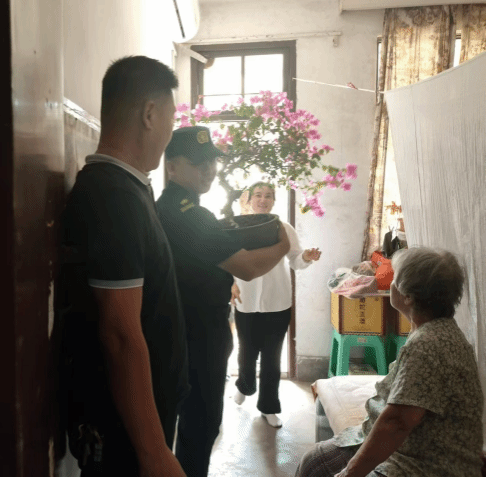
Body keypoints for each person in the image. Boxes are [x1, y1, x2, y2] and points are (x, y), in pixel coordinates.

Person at [59, 55, 188, 477]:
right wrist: (154, 453)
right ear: (149, 114)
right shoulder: (113, 198)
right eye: (171, 117)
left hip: (137, 423)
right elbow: (119, 334)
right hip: (126, 435)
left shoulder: (128, 188)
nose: (170, 131)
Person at [156, 126, 291, 477]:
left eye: (212, 161)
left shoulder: (171, 207)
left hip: (180, 330)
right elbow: (247, 267)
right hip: (198, 335)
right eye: (197, 162)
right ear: (172, 166)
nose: (208, 169)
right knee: (200, 427)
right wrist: (283, 245)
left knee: (186, 426)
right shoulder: (190, 215)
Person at [296, 247, 484, 477]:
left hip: (423, 464)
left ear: (408, 297)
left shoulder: (427, 344)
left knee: (316, 467)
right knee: (314, 461)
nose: (390, 283)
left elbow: (396, 423)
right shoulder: (438, 331)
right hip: (416, 449)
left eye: (395, 279)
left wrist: (349, 473)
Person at [231, 182, 321, 428]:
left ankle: (269, 407)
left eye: (268, 196)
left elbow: (295, 260)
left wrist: (306, 257)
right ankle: (244, 386)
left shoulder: (284, 228)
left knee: (272, 358)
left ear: (273, 201)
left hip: (277, 302)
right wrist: (230, 283)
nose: (263, 199)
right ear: (249, 199)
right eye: (258, 195)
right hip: (246, 300)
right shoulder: (239, 227)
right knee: (246, 352)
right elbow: (228, 259)